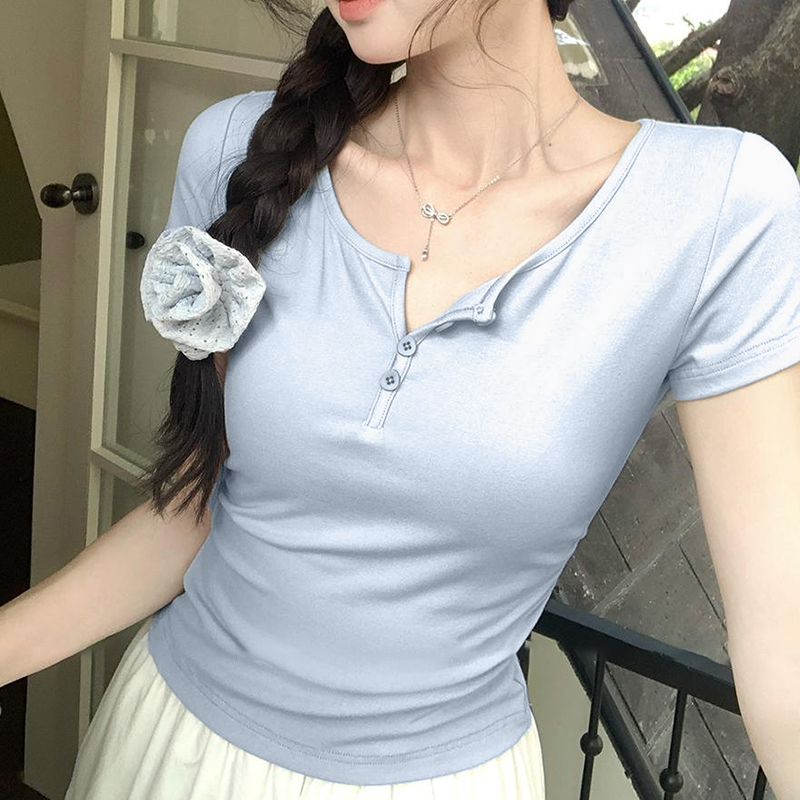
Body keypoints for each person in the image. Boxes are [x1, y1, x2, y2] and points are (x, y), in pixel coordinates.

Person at [2, 0, 800, 795]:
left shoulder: (714, 210)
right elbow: (193, 507)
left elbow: (782, 651)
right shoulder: (240, 151)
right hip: (168, 748)